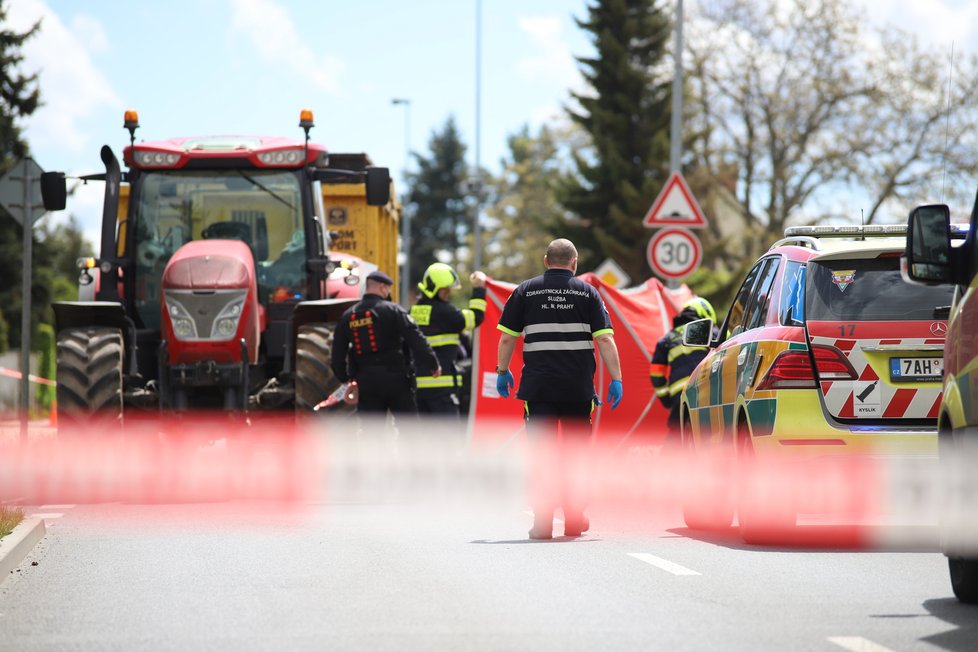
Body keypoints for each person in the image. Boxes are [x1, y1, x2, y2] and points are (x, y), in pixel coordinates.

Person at [495, 238, 623, 540]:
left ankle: (542, 523)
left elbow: (507, 338)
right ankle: (575, 519)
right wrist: (616, 378)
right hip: (578, 389)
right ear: (574, 263)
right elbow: (604, 339)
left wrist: (502, 371)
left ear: (545, 260)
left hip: (539, 389)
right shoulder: (588, 292)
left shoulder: (526, 290)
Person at [330, 270, 440, 418]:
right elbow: (417, 340)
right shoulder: (393, 310)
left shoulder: (348, 316)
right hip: (397, 380)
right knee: (409, 429)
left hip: (367, 382)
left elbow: (337, 353)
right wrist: (432, 364)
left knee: (372, 432)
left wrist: (346, 379)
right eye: (387, 288)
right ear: (382, 287)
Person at [410, 263, 487, 417]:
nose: (448, 293)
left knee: (421, 438)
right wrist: (479, 289)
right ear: (433, 287)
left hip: (417, 390)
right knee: (448, 439)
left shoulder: (412, 312)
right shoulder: (445, 312)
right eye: (445, 289)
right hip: (442, 391)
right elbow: (475, 317)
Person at [649, 296, 717, 443]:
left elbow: (656, 374)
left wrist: (667, 400)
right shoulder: (712, 331)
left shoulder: (667, 339)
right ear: (705, 315)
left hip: (679, 397)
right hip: (707, 390)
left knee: (677, 434)